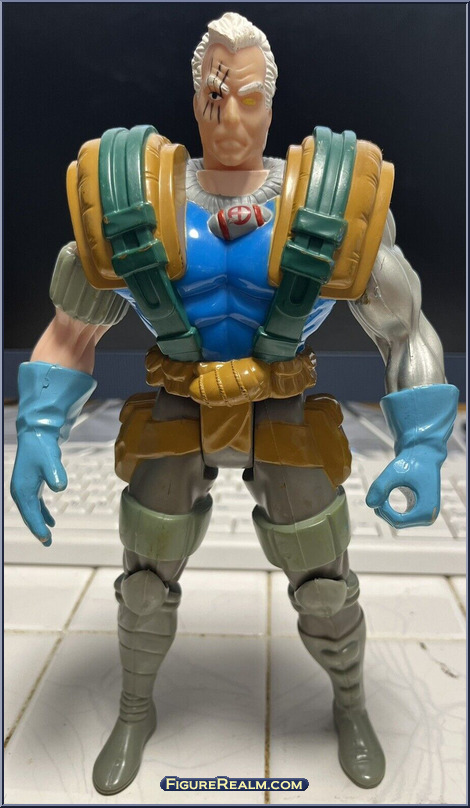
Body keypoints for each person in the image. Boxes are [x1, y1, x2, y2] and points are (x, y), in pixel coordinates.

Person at [10, 11, 458, 796]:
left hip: (282, 403)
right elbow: (73, 325)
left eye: (249, 97)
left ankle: (350, 703)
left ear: (272, 104)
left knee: (324, 580)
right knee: (144, 578)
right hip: (177, 401)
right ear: (194, 101)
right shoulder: (132, 198)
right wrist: (40, 426)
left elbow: (405, 326)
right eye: (215, 95)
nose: (231, 117)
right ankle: (136, 708)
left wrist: (422, 444)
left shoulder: (331, 201)